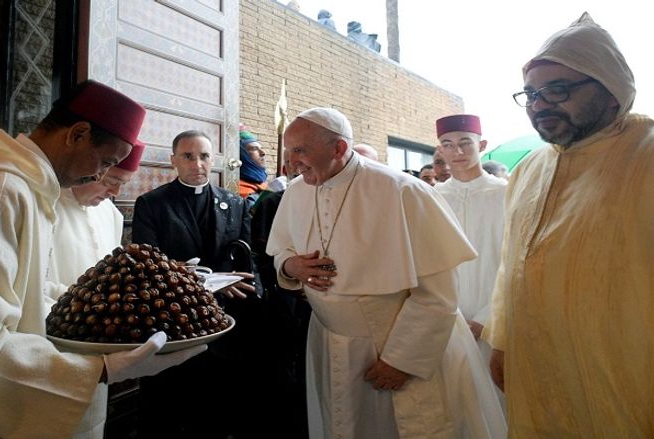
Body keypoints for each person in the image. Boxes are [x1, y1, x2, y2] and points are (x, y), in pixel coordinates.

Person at [0, 80, 205, 438]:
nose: (99, 177)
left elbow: (17, 297)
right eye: (104, 163)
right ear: (78, 134)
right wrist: (100, 370)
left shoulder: (13, 185)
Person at [267, 107, 506, 438]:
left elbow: (437, 292)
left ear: (338, 148)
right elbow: (282, 251)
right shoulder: (296, 190)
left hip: (393, 345)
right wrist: (291, 266)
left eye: (299, 151)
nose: (290, 163)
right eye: (289, 151)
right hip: (325, 340)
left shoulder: (403, 190)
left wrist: (402, 360)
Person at [486, 12, 654, 437]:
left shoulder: (647, 154)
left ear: (610, 90)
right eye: (531, 94)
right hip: (538, 368)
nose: (540, 104)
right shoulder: (528, 170)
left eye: (557, 90)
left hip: (627, 370)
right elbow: (511, 266)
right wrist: (502, 343)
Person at [131, 129, 268, 438]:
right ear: (173, 161)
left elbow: (248, 259)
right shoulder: (152, 204)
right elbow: (148, 264)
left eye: (204, 156)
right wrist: (210, 282)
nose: (198, 164)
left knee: (217, 412)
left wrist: (252, 288)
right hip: (173, 324)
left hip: (224, 324)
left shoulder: (235, 202)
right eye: (188, 157)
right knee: (167, 411)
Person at [44, 142, 144, 438]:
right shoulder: (45, 206)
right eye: (112, 180)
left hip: (96, 357)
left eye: (123, 185)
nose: (114, 192)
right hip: (46, 350)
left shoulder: (110, 215)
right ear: (92, 168)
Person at [433, 114, 506, 389]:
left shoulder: (506, 193)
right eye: (448, 144)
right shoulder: (432, 198)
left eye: (465, 143)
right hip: (447, 318)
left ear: (482, 144)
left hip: (496, 319)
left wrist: (486, 319)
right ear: (440, 150)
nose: (458, 152)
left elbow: (514, 262)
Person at [251, 149, 311, 438]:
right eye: (291, 162)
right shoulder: (271, 203)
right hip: (284, 300)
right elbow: (264, 254)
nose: (297, 168)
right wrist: (289, 276)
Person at [238, 128, 268, 207]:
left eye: (261, 148)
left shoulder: (264, 185)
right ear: (241, 154)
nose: (263, 153)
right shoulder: (234, 188)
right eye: (254, 148)